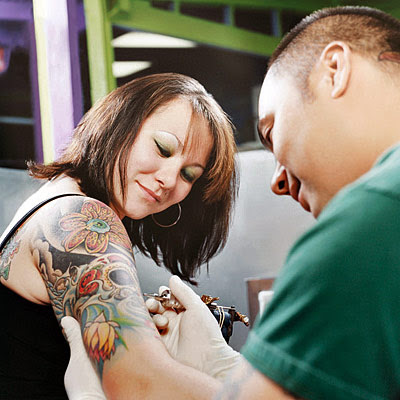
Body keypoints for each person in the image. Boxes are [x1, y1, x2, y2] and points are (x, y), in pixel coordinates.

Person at [63, 5, 400, 400]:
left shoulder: (371, 222)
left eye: (271, 132)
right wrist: (232, 368)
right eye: (162, 147)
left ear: (335, 69)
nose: (277, 181)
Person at [0, 72, 238, 399]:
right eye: (163, 148)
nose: (169, 179)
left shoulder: (57, 198)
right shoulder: (81, 219)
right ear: (119, 123)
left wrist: (145, 339)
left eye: (188, 174)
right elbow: (140, 383)